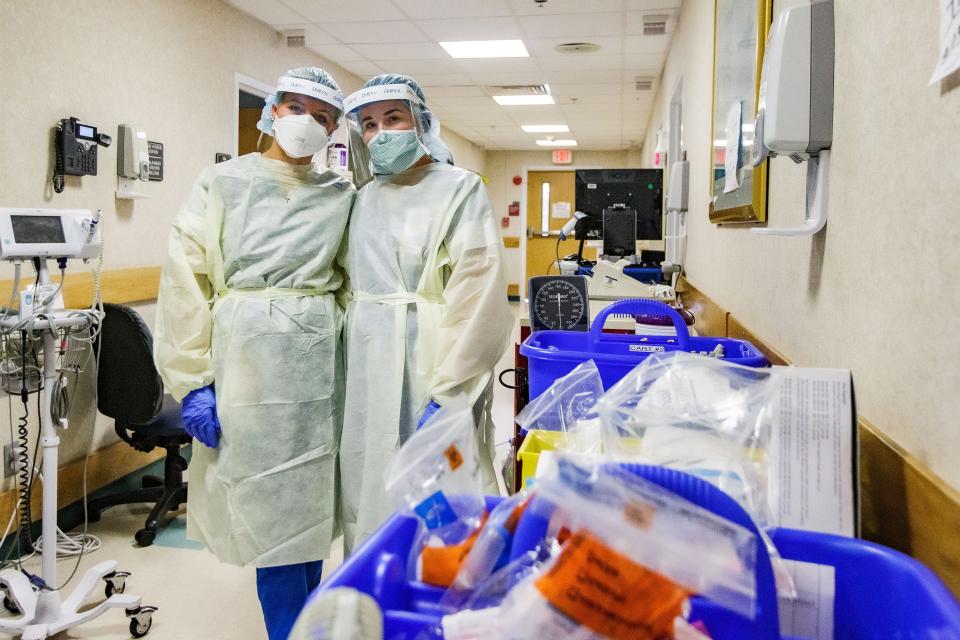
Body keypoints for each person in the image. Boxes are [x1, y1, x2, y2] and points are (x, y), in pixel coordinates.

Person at [153, 67, 355, 640]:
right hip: (244, 355)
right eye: (298, 109)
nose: (308, 124)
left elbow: (350, 281)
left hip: (318, 360)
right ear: (272, 110)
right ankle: (290, 627)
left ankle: (307, 621)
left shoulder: (341, 195)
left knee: (310, 503)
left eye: (323, 118)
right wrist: (194, 381)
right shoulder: (222, 183)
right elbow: (185, 283)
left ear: (336, 130)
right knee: (269, 508)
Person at [338, 74, 515, 553]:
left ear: (422, 122)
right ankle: (382, 578)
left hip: (433, 361)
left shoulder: (460, 190)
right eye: (369, 124)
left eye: (393, 118)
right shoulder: (363, 197)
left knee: (443, 484)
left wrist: (451, 391)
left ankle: (449, 591)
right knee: (374, 477)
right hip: (370, 359)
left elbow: (477, 292)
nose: (381, 132)